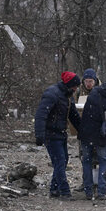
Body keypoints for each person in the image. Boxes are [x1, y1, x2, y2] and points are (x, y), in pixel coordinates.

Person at [35, 71, 81, 201]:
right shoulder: (52, 94)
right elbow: (41, 115)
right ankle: (64, 191)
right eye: (75, 86)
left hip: (60, 132)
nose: (76, 89)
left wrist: (82, 130)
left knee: (63, 160)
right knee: (60, 161)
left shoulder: (67, 96)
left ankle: (54, 189)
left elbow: (73, 115)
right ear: (70, 85)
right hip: (51, 134)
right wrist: (39, 134)